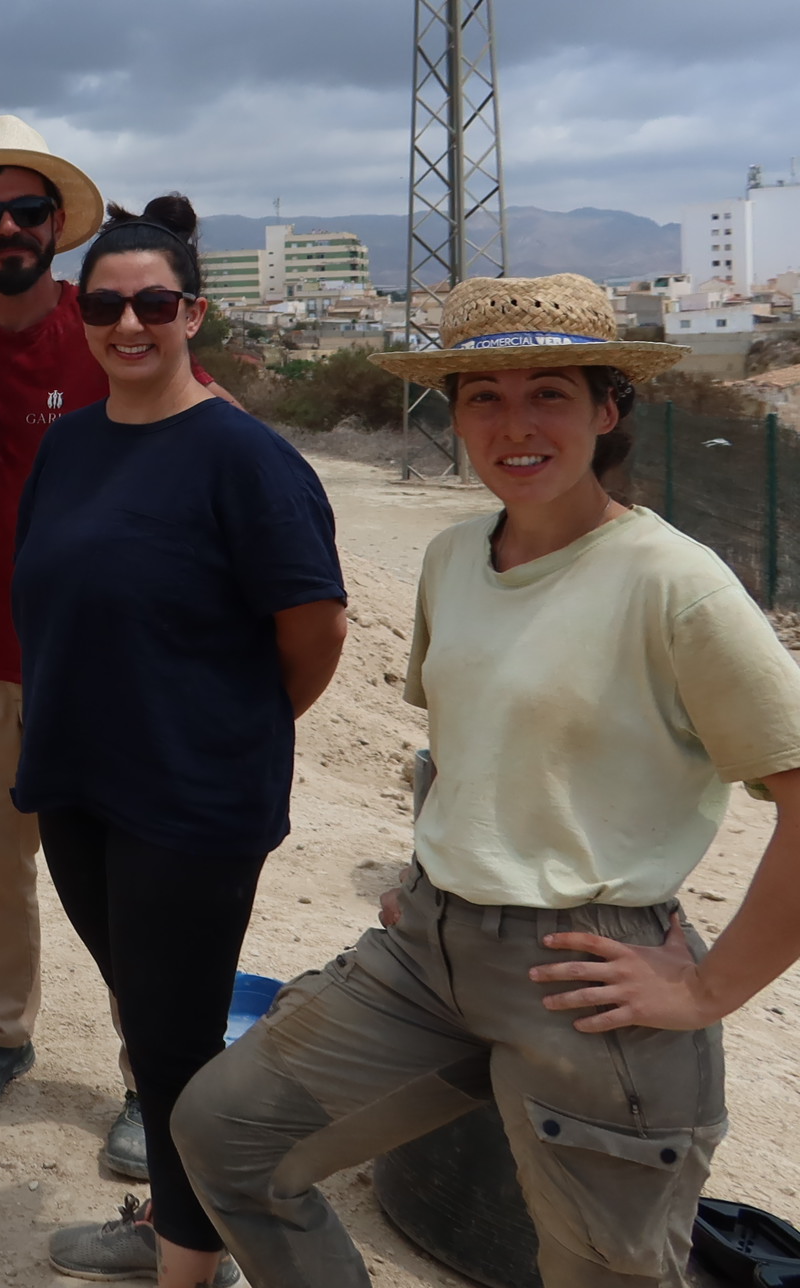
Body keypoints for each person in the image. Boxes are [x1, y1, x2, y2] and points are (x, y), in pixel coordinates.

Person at [176, 274, 800, 1288]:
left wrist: (706, 987)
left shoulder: (675, 584)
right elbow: (466, 745)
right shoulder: (453, 557)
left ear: (607, 409)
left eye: (549, 393)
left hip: (584, 974)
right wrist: (435, 863)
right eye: (483, 397)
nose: (515, 425)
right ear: (455, 415)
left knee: (601, 1272)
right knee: (225, 1134)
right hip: (426, 951)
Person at [0, 116, 230, 1172]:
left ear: (60, 222)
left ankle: (149, 1077)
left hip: (107, 657)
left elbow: (204, 431)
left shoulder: (110, 321)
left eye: (27, 210)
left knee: (126, 876)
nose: (8, 228)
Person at [13, 195, 348, 1288]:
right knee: (156, 1024)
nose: (129, 324)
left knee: (173, 1040)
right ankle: (183, 1219)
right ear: (79, 315)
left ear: (192, 314)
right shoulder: (69, 446)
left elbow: (315, 632)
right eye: (106, 306)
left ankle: (190, 1263)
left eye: (153, 304)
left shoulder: (245, 459)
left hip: (192, 801)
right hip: (79, 783)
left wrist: (222, 730)